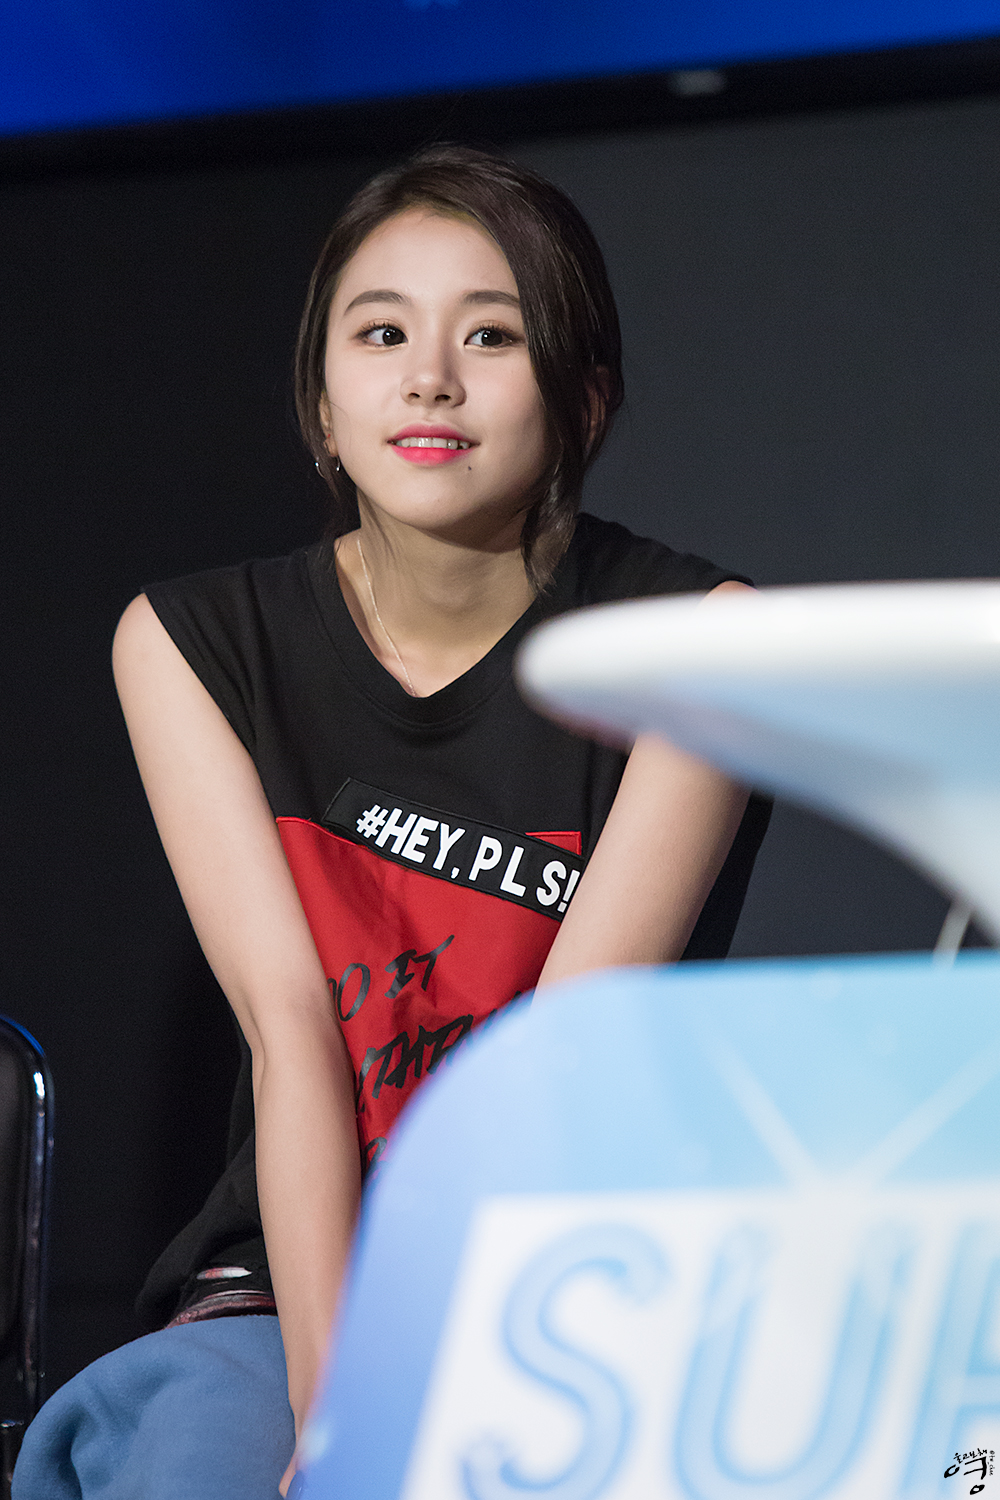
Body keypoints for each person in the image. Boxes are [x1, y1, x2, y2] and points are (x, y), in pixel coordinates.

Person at [13, 144, 769, 1499]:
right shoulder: (192, 642)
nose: (430, 378)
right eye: (381, 334)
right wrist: (337, 1418)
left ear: (586, 398)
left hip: (582, 1275)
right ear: (321, 402)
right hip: (287, 1287)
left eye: (492, 335)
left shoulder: (698, 645)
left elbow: (549, 1070)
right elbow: (290, 1032)